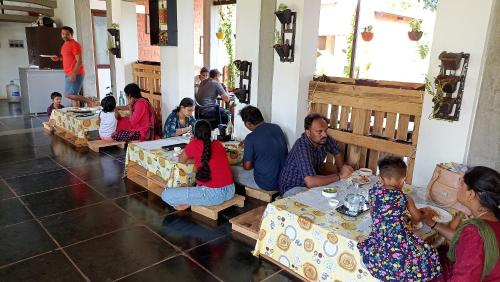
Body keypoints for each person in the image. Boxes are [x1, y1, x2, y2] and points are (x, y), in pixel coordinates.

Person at [357, 156, 441, 281]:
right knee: (427, 254)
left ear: (380, 179)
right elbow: (417, 218)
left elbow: (375, 213)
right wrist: (426, 214)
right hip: (398, 239)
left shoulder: (373, 193)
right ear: (403, 180)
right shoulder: (405, 198)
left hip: (378, 236)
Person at [421, 166, 500, 281]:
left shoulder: (475, 231)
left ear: (471, 195)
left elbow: (463, 278)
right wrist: (431, 223)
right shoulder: (492, 221)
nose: (458, 187)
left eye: (462, 184)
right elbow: (463, 240)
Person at [161, 120, 235, 210]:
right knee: (199, 185)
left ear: (194, 133)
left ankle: (190, 202)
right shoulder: (217, 144)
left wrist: (192, 144)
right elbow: (206, 158)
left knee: (166, 194)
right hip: (230, 190)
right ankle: (193, 200)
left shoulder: (194, 144)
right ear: (210, 132)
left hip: (213, 195)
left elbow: (181, 160)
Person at [278, 113, 353, 197]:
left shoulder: (324, 139)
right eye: (319, 131)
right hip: (292, 187)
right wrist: (340, 176)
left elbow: (337, 152)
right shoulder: (301, 146)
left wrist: (342, 169)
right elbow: (310, 182)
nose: (324, 134)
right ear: (308, 132)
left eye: (325, 130)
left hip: (310, 185)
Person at [232, 105, 288, 191]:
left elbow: (247, 167)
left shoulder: (251, 138)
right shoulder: (276, 128)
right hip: (284, 180)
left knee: (231, 170)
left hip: (266, 184)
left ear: (248, 123)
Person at [51, 26, 94, 107]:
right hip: (68, 73)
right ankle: (76, 113)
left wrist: (74, 74)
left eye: (67, 34)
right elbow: (67, 57)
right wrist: (58, 58)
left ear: (71, 34)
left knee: (68, 94)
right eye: (63, 34)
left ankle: (89, 101)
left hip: (75, 73)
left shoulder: (75, 45)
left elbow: (79, 61)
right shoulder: (64, 45)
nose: (64, 36)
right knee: (73, 96)